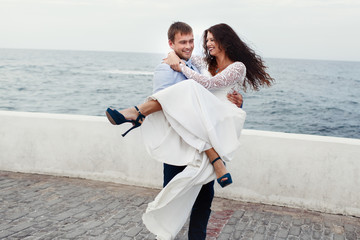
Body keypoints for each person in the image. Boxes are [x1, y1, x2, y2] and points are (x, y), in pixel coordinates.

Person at [106, 22, 274, 240]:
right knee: (175, 194)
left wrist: (181, 67)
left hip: (220, 120)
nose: (207, 44)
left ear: (226, 41)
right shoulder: (205, 62)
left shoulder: (237, 66)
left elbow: (210, 85)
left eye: (212, 40)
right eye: (207, 40)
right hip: (199, 126)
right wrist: (175, 59)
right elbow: (181, 56)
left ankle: (137, 113)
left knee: (203, 200)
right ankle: (214, 161)